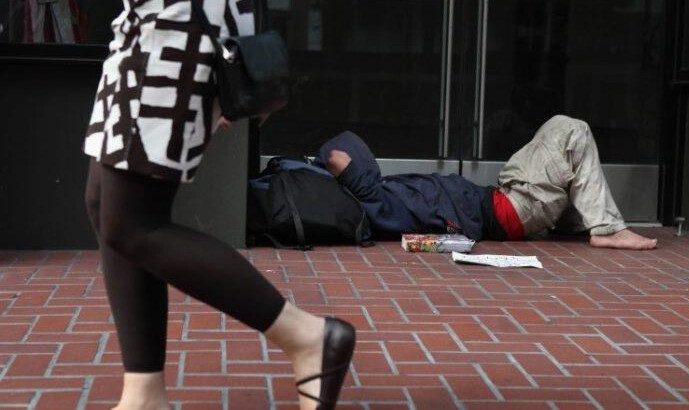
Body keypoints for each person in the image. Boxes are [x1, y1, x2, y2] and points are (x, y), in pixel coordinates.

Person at [82, 1, 355, 409]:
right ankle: (144, 393)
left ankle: (308, 338)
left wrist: (226, 41)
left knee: (132, 223)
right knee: (106, 203)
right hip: (144, 26)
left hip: (175, 25)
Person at [316, 115, 657, 250]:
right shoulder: (372, 197)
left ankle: (584, 220)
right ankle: (606, 228)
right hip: (511, 210)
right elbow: (336, 158)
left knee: (553, 137)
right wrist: (320, 170)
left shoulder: (378, 196)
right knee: (571, 129)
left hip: (504, 198)